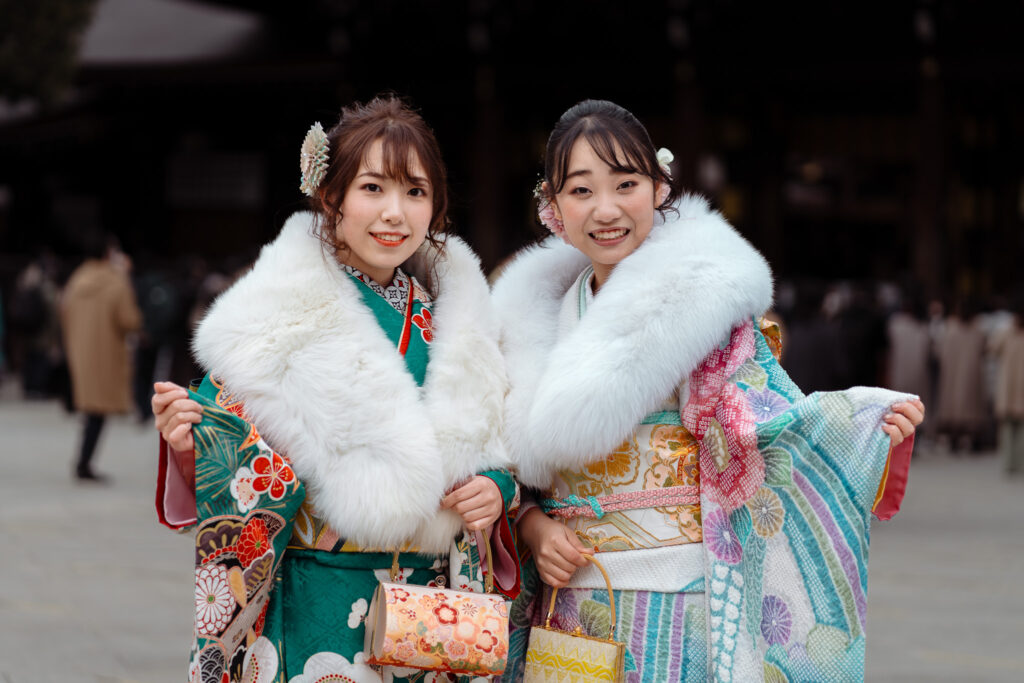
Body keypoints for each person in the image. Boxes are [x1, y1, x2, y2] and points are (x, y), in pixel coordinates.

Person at [492, 100, 924, 682]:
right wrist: (532, 527)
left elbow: (767, 427)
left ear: (659, 187)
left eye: (626, 184)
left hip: (682, 601)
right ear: (552, 206)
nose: (606, 209)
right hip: (570, 607)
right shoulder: (527, 323)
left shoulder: (700, 308)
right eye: (581, 191)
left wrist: (860, 420)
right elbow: (505, 469)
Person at [152, 96, 520, 683]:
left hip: (434, 611)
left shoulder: (461, 323)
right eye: (372, 188)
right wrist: (191, 443)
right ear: (331, 198)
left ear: (437, 208)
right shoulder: (275, 316)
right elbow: (237, 461)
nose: (394, 213)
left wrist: (496, 490)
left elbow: (503, 444)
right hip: (314, 599)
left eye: (415, 193)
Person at [62, 235, 142, 482]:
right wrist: (125, 277)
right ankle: (84, 463)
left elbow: (64, 314)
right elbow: (130, 320)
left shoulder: (76, 280)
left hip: (81, 354)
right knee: (98, 412)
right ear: (109, 253)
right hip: (107, 357)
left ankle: (83, 462)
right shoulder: (116, 283)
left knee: (92, 411)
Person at [991, 308, 1024, 475]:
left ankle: (1012, 464)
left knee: (1012, 427)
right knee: (1014, 427)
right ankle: (1014, 464)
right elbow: (993, 349)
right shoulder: (1007, 332)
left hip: (1011, 386)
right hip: (1013, 386)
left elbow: (992, 349)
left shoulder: (1007, 331)